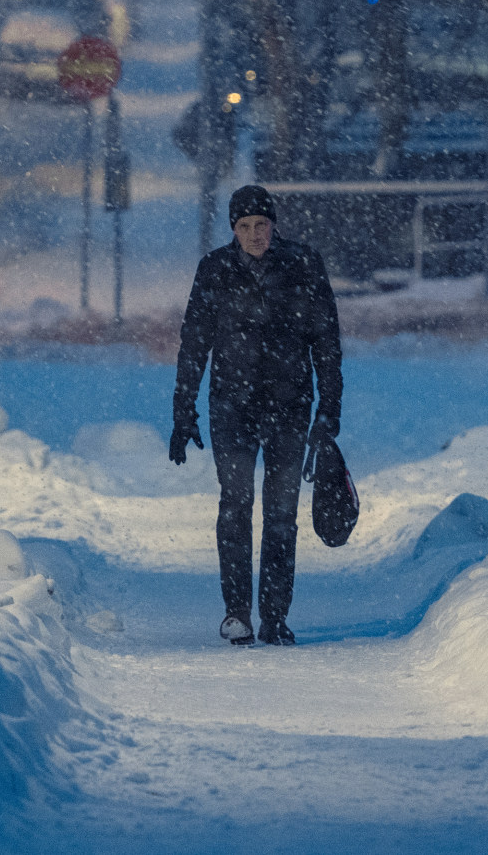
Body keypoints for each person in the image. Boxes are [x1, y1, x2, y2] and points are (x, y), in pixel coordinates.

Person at [171, 184, 342, 646]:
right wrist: (182, 410)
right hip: (232, 406)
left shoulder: (303, 265)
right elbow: (194, 344)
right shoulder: (215, 270)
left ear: (273, 225)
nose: (254, 235)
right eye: (244, 226)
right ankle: (237, 613)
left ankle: (275, 616)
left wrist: (330, 410)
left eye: (261, 225)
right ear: (233, 229)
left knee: (283, 514)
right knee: (236, 504)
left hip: (290, 405)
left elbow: (326, 342)